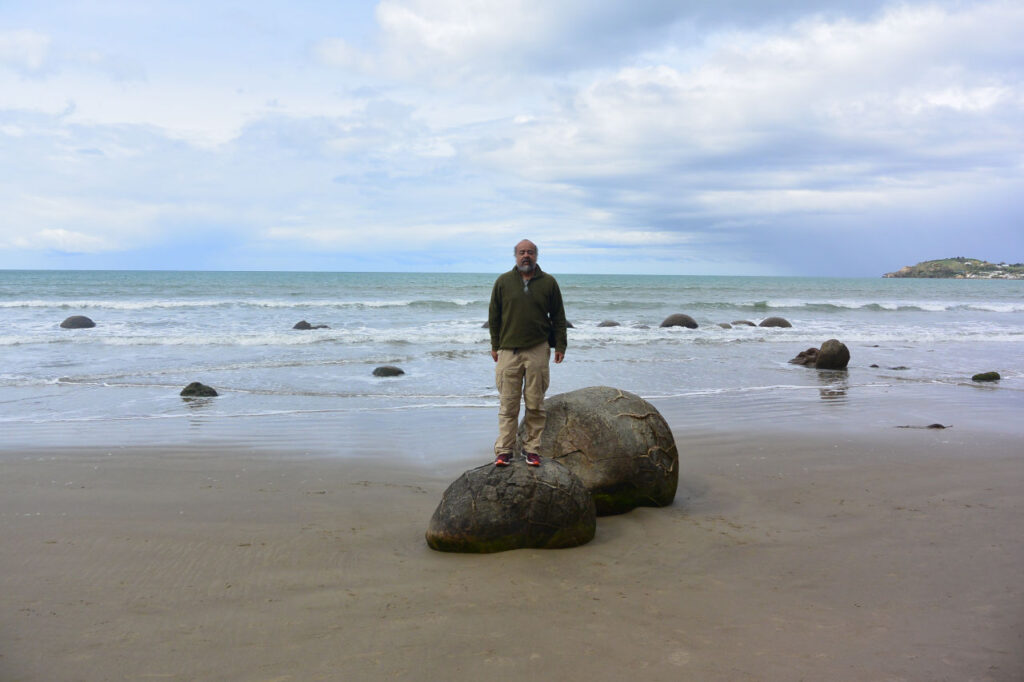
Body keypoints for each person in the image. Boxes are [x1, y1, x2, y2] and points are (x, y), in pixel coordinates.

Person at [488, 239, 567, 466]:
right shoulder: (503, 282)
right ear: (515, 256)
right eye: (522, 252)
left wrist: (560, 345)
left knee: (535, 404)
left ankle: (531, 449)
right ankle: (504, 451)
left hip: (538, 350)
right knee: (508, 405)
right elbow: (494, 317)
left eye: (530, 252)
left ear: (536, 256)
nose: (526, 256)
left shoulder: (549, 283)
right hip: (508, 352)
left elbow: (559, 317)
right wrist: (495, 345)